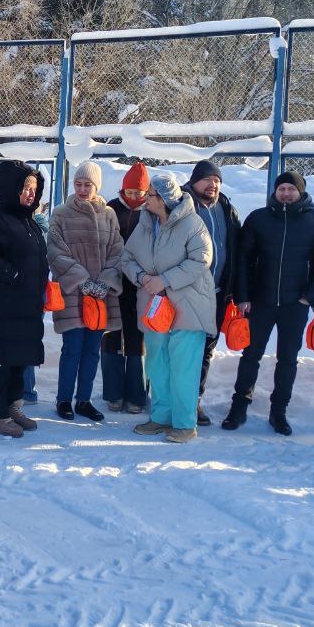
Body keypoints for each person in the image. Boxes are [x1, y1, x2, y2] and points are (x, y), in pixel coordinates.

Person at [223, 171, 314, 435]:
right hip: (259, 301)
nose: (286, 193)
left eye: (291, 189)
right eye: (281, 188)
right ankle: (238, 408)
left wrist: (310, 295)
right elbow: (243, 259)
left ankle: (279, 412)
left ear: (301, 191)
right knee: (250, 355)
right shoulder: (259, 219)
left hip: (294, 304)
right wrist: (243, 295)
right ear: (275, 191)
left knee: (288, 359)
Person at [120, 174, 215, 443]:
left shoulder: (192, 224)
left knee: (183, 367)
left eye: (149, 195)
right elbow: (127, 257)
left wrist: (165, 280)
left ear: (163, 199)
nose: (144, 198)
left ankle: (185, 424)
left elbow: (201, 260)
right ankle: (161, 418)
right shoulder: (145, 224)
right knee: (157, 364)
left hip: (188, 306)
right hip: (154, 308)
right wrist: (141, 278)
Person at [0, 161, 50, 438]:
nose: (31, 193)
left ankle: (14, 408)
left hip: (27, 306)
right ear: (11, 189)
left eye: (34, 188)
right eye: (25, 188)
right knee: (1, 362)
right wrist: (13, 275)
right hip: (2, 307)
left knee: (20, 359)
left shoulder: (29, 221)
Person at [47, 160, 124, 422]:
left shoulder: (109, 214)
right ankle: (64, 400)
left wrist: (105, 281)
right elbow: (56, 252)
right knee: (72, 349)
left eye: (87, 184)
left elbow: (117, 251)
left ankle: (84, 400)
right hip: (73, 295)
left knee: (93, 351)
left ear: (96, 186)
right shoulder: (61, 214)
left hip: (101, 297)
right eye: (78, 184)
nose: (82, 189)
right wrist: (82, 281)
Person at [182, 160, 242, 426]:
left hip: (218, 293)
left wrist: (236, 290)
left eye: (216, 180)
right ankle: (178, 400)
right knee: (186, 347)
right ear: (195, 181)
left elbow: (238, 251)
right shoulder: (183, 205)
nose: (212, 184)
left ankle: (194, 400)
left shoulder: (226, 208)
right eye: (207, 179)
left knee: (206, 348)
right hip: (188, 292)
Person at [102, 161, 150, 414]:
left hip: (139, 284)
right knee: (111, 336)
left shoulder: (150, 212)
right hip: (113, 281)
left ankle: (137, 395)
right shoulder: (111, 209)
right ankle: (113, 393)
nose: (133, 197)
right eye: (130, 192)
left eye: (138, 193)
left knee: (137, 338)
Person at [22, 200, 51, 404]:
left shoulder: (41, 227)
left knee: (25, 339)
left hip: (31, 289)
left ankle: (26, 390)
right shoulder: (42, 227)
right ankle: (26, 389)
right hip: (33, 288)